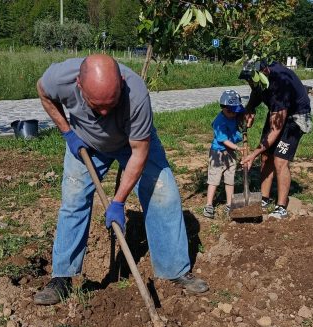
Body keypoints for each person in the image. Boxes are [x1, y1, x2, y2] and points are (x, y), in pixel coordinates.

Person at [33, 54, 209, 305]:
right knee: (73, 200)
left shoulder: (136, 94)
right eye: (97, 106)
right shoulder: (59, 78)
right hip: (84, 142)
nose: (104, 112)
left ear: (122, 82)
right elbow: (43, 92)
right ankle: (62, 277)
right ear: (78, 85)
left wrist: (117, 202)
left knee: (163, 194)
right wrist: (68, 133)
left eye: (111, 104)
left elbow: (139, 152)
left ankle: (175, 270)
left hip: (132, 143)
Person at [239, 59, 312, 219]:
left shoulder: (279, 86)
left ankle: (281, 206)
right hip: (277, 113)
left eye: (251, 79)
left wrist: (253, 154)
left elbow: (275, 130)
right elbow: (257, 91)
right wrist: (250, 108)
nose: (250, 83)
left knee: (280, 160)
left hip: (295, 116)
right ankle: (264, 199)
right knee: (266, 157)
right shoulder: (262, 79)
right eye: (248, 80)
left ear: (263, 73)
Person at [204, 90, 245, 219]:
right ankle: (209, 205)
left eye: (236, 111)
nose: (234, 114)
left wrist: (244, 123)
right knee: (214, 179)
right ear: (225, 109)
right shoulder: (219, 122)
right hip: (218, 154)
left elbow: (243, 115)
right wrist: (238, 148)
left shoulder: (235, 115)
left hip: (230, 153)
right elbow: (224, 140)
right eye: (232, 111)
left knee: (230, 179)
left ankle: (229, 204)